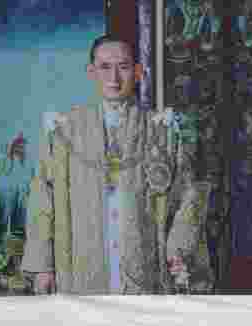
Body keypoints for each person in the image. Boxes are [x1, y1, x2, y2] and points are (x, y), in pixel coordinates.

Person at [22, 34, 210, 295]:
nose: (114, 78)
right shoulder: (65, 131)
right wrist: (43, 266)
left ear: (138, 72)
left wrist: (177, 250)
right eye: (104, 67)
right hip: (80, 268)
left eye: (123, 67)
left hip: (144, 268)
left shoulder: (162, 131)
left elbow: (188, 196)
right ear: (91, 72)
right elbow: (42, 199)